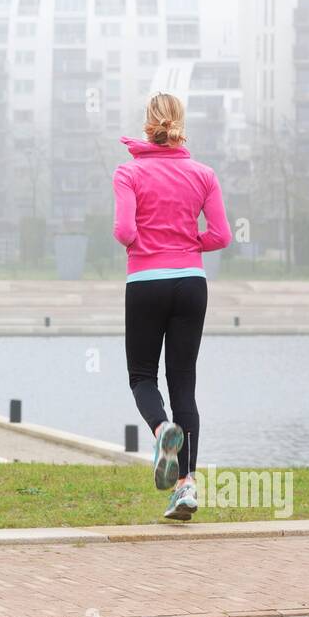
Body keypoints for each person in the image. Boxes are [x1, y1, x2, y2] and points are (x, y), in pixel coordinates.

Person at [113, 92, 231, 520]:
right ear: (181, 123)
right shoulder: (204, 174)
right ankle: (187, 487)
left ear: (148, 124)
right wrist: (188, 245)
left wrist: (143, 242)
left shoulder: (128, 173)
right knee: (184, 384)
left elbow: (124, 231)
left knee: (142, 376)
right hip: (191, 284)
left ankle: (163, 429)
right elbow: (220, 236)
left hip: (145, 281)